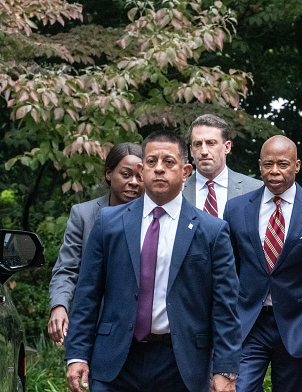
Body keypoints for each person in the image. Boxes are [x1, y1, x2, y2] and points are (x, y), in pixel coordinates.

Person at [65, 131, 241, 392]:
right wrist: (77, 354)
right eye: (151, 161)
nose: (159, 169)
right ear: (141, 168)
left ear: (186, 171)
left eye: (169, 162)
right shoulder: (109, 223)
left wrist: (225, 369)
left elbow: (225, 305)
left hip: (181, 365)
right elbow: (87, 294)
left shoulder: (212, 231)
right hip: (114, 361)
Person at [223, 135, 302, 392]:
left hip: (299, 327)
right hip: (249, 325)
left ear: (297, 166)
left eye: (282, 164)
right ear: (259, 165)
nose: (274, 171)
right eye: (268, 164)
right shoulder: (235, 209)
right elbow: (228, 271)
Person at [48, 142, 144, 345]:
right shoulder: (83, 215)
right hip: (97, 329)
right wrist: (59, 305)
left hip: (144, 331)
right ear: (109, 174)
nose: (134, 182)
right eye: (126, 174)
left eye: (140, 176)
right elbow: (67, 269)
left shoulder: (155, 217)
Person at [183, 114, 262, 217]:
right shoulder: (177, 191)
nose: (204, 151)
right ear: (191, 151)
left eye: (211, 143)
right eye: (197, 144)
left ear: (227, 147)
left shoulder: (255, 189)